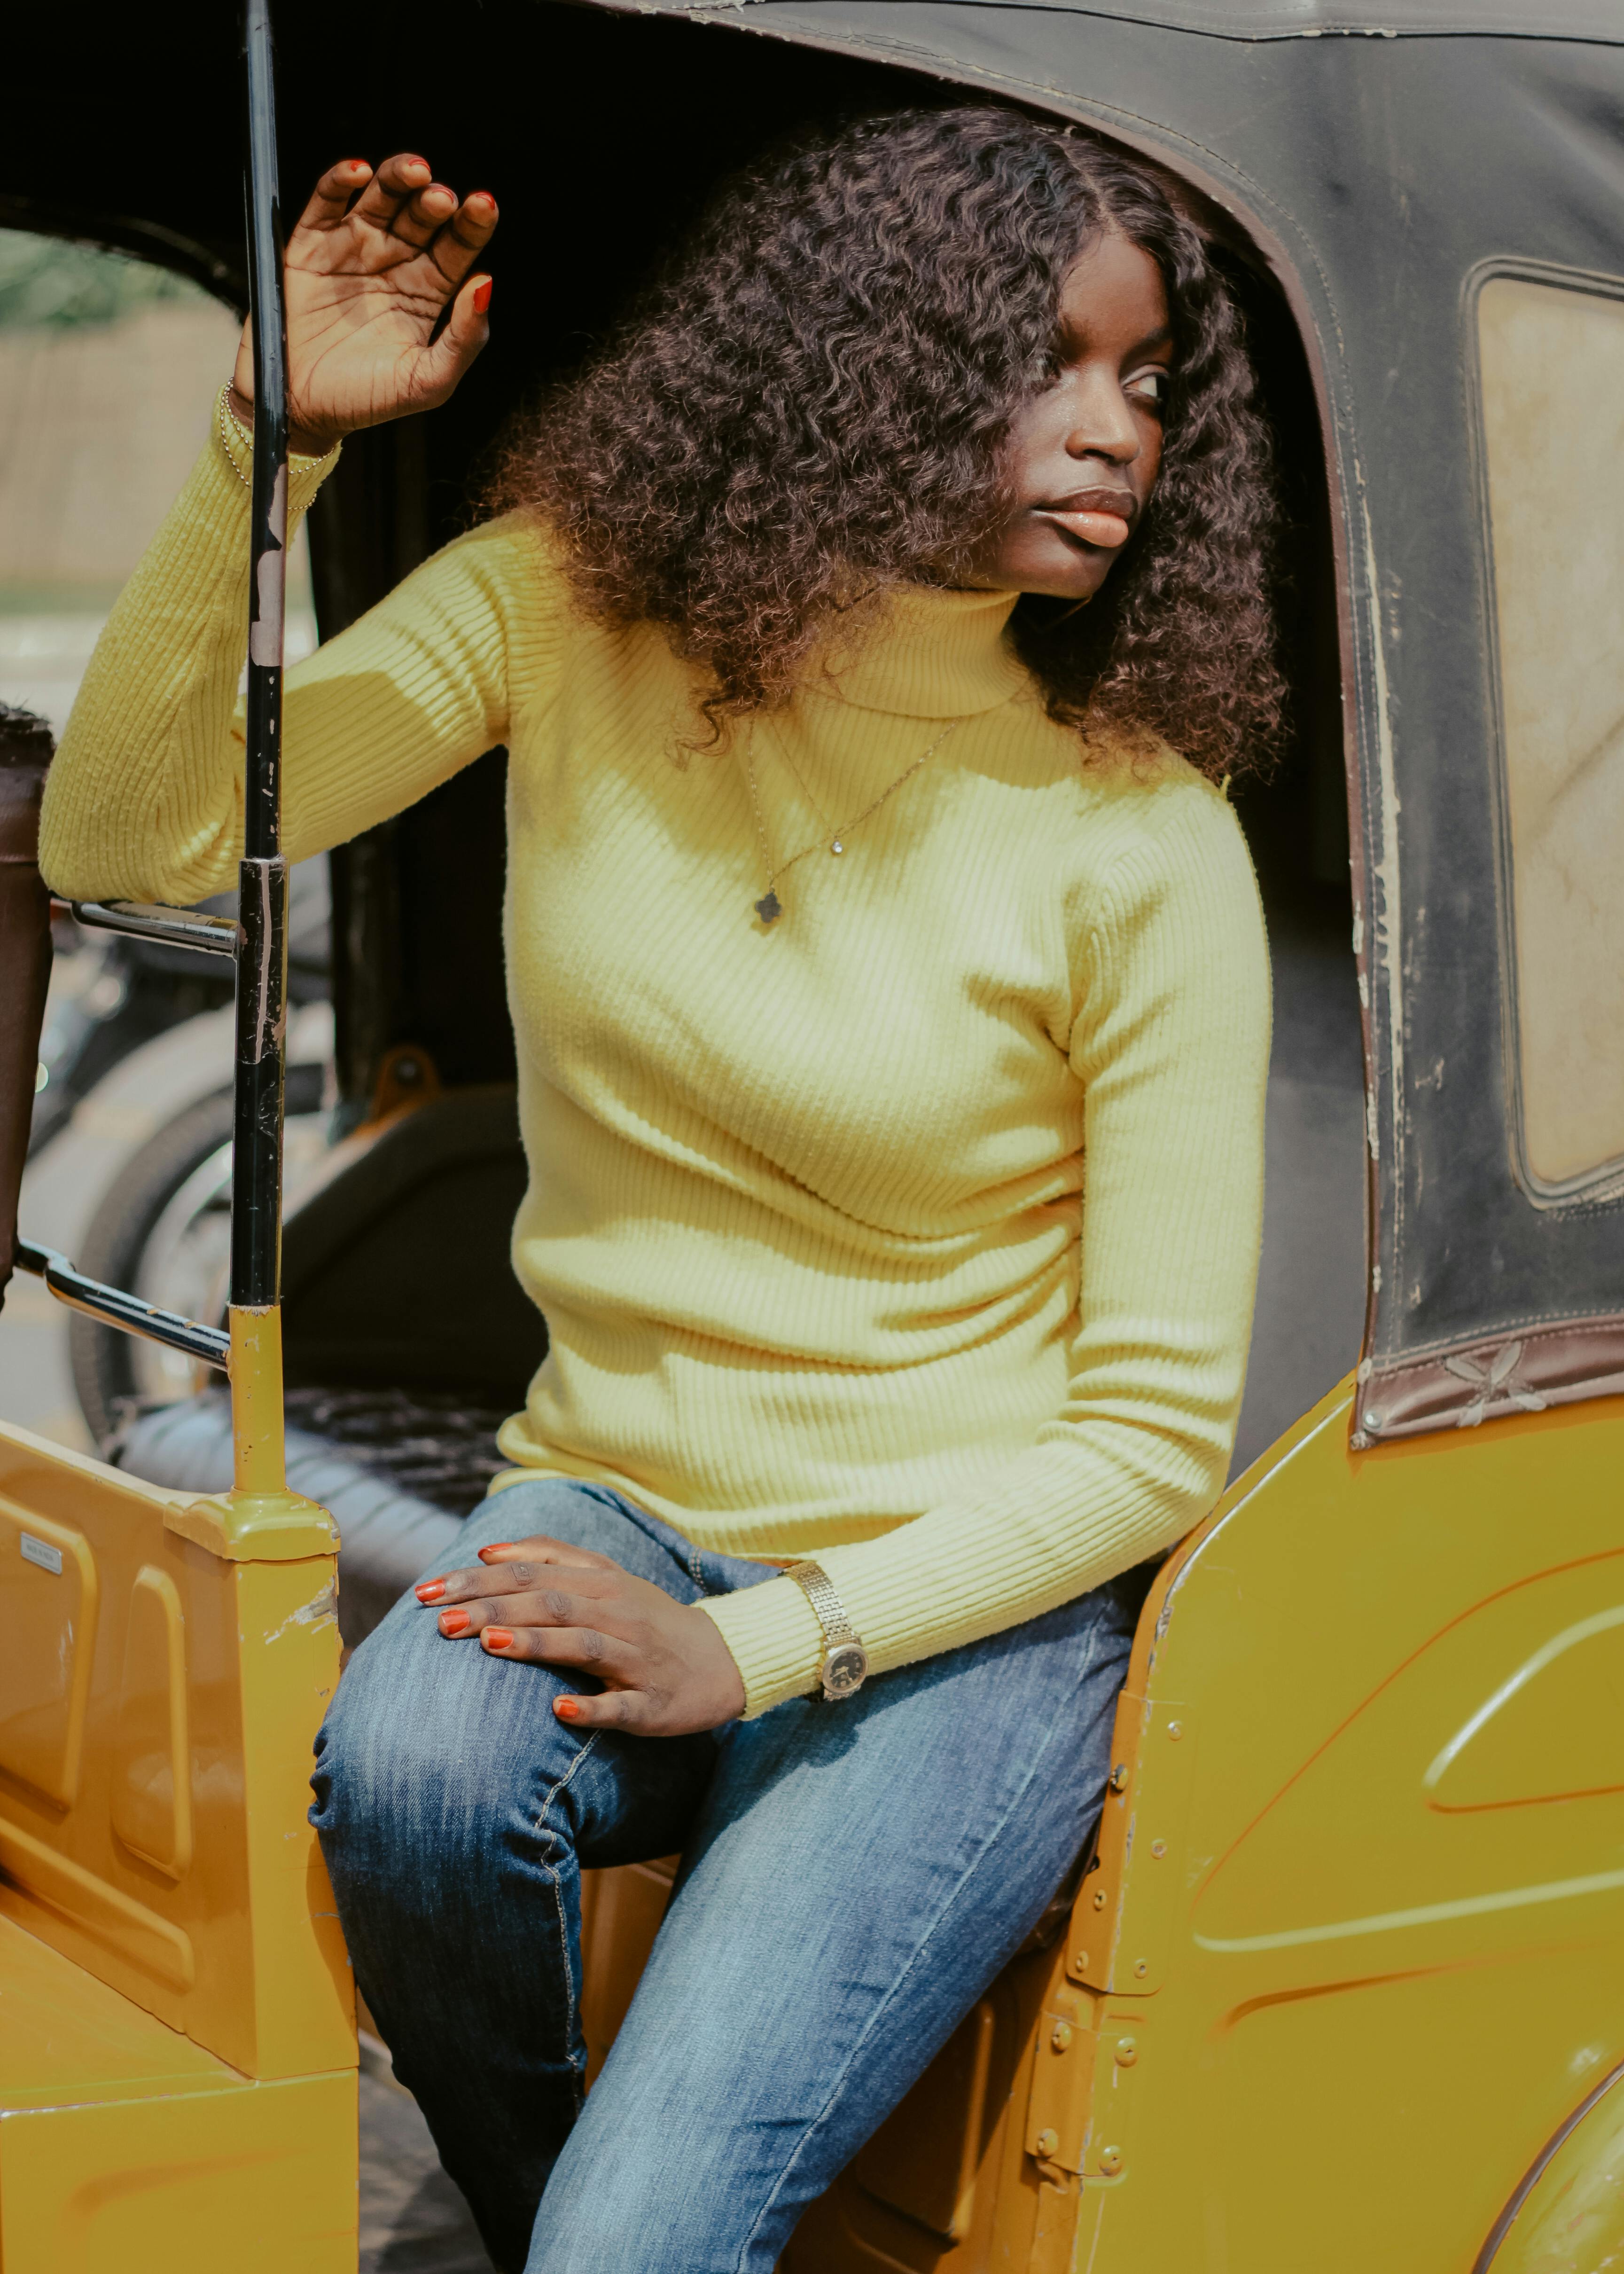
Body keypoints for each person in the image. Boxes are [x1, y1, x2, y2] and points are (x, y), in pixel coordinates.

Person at [41, 104, 1277, 2273]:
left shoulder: (1139, 835)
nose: (1117, 433)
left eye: (1150, 381)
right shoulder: (563, 611)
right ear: (873, 362)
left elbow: (1155, 1434)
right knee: (415, 1780)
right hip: (608, 1491)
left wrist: (755, 1645)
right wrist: (268, 446)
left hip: (958, 1605)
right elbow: (128, 836)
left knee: (639, 2238)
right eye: (1048, 362)